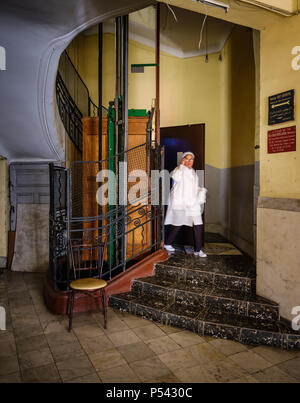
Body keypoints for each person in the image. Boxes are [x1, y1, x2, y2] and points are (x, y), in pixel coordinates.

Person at [164, 151, 207, 257]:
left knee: (198, 225)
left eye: (191, 159)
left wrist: (200, 191)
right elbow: (176, 178)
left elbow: (192, 187)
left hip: (193, 204)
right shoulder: (178, 170)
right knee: (177, 224)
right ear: (183, 160)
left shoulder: (193, 172)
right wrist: (182, 165)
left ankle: (198, 250)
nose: (189, 161)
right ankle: (167, 243)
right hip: (181, 203)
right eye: (186, 159)